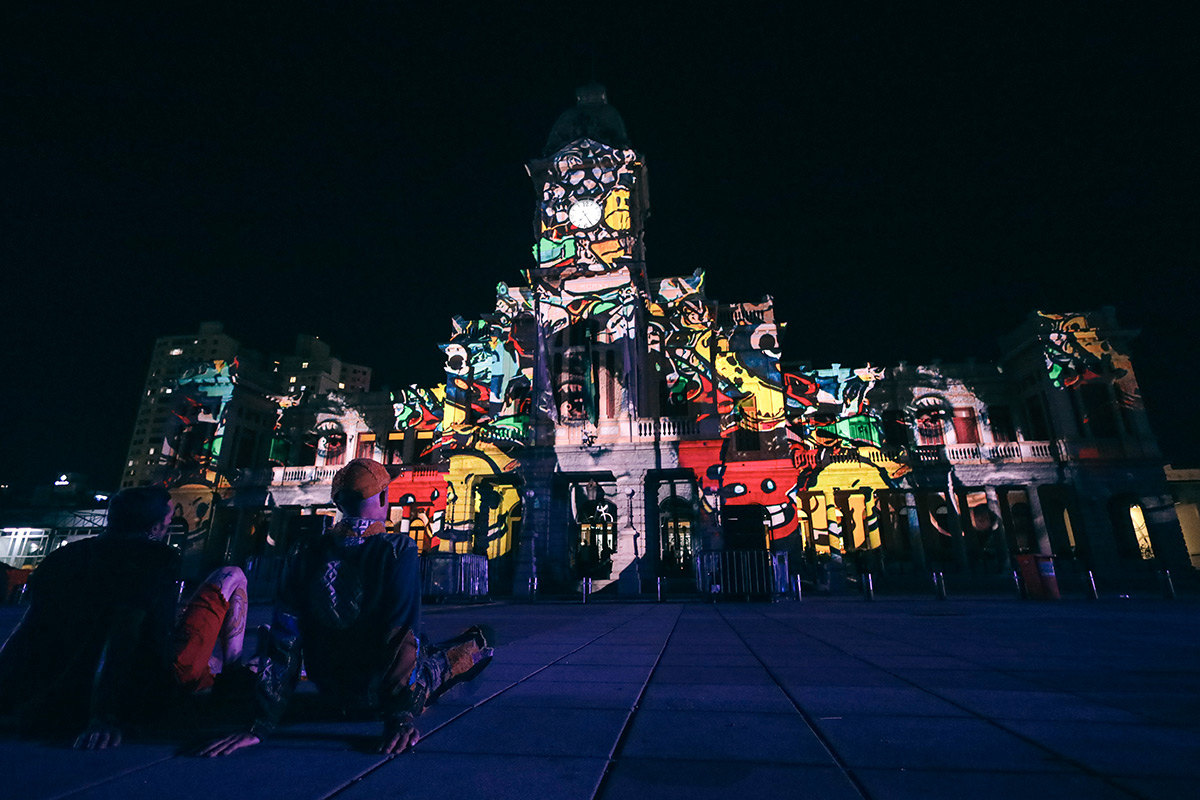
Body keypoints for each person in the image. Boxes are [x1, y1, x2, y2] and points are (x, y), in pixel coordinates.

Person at [199, 458, 493, 757]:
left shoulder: (303, 550)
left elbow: (284, 637)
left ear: (338, 503)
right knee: (475, 645)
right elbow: (402, 633)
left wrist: (260, 723)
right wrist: (399, 717)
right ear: (384, 497)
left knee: (429, 646)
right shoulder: (396, 549)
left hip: (331, 692)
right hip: (379, 700)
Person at [0, 486, 248, 749]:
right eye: (167, 521)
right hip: (135, 690)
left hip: (55, 691)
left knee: (208, 660)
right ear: (155, 527)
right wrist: (104, 715)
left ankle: (223, 673)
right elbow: (126, 634)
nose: (168, 526)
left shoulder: (61, 557)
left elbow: (26, 630)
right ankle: (232, 679)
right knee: (232, 575)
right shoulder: (155, 558)